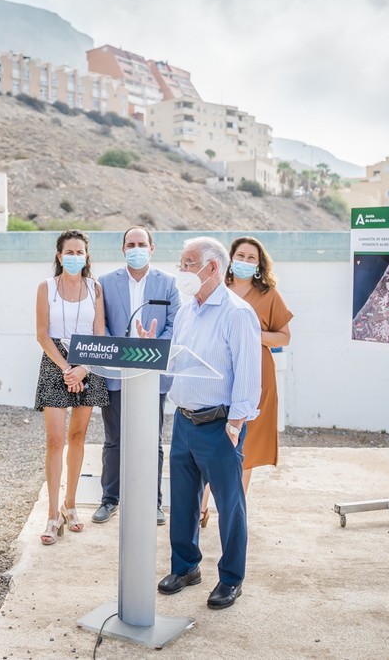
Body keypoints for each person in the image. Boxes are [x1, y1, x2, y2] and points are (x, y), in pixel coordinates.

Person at [154, 236, 261, 611]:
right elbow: (177, 360)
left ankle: (231, 579)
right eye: (181, 263)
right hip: (184, 422)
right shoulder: (187, 309)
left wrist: (234, 426)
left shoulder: (237, 313)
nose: (180, 270)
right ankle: (185, 568)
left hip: (219, 426)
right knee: (182, 503)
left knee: (230, 506)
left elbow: (249, 375)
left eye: (187, 263)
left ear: (212, 267)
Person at [199, 236, 293, 526]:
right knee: (211, 441)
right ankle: (199, 508)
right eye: (240, 255)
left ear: (259, 264)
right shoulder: (216, 289)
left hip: (256, 376)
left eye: (252, 258)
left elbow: (284, 336)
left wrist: (252, 332)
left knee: (245, 446)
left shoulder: (269, 295)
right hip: (218, 374)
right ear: (230, 259)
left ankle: (233, 513)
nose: (245, 262)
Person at [94, 226, 180, 526]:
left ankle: (152, 501)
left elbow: (174, 325)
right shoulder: (104, 282)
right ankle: (110, 499)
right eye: (131, 244)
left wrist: (150, 349)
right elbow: (101, 325)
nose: (136, 248)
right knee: (114, 440)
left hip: (152, 375)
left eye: (141, 243)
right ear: (122, 249)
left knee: (150, 440)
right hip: (117, 374)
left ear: (152, 248)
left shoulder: (169, 283)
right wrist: (122, 353)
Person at [34, 230, 109, 545]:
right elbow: (42, 333)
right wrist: (66, 368)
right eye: (69, 251)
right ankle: (52, 513)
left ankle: (71, 505)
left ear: (87, 256)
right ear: (59, 255)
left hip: (87, 362)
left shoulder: (95, 288)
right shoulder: (46, 288)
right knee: (55, 440)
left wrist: (82, 368)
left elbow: (100, 333)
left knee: (78, 437)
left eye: (81, 251)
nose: (75, 256)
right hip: (56, 363)